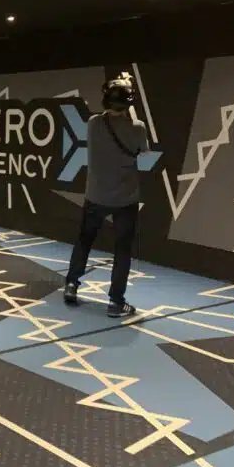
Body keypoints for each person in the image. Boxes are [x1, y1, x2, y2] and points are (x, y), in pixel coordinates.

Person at [63, 72, 150, 318]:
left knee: (84, 241)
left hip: (96, 196)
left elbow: (108, 119)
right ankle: (116, 302)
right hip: (125, 199)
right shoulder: (138, 128)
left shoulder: (94, 123)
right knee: (122, 250)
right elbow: (142, 151)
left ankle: (71, 285)